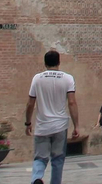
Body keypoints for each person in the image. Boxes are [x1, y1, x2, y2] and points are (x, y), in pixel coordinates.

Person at [25, 49, 83, 184]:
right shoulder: (67, 78)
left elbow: (30, 104)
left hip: (42, 126)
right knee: (58, 159)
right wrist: (76, 126)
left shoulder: (37, 78)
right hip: (60, 126)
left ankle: (37, 179)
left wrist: (28, 123)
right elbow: (72, 102)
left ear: (45, 63)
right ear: (59, 62)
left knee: (40, 158)